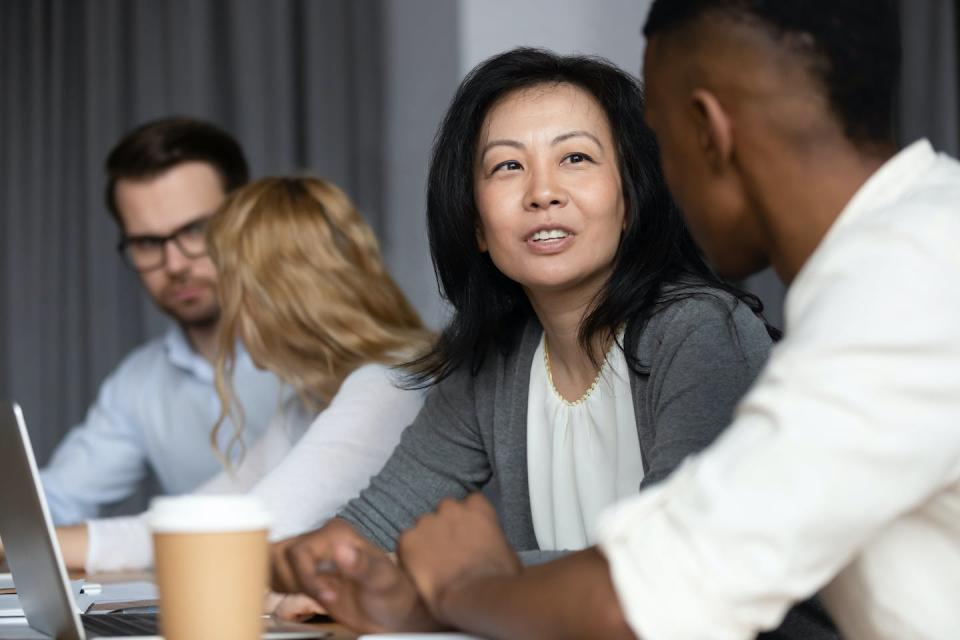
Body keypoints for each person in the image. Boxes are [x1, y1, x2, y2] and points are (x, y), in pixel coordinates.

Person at [330, 2, 960, 639]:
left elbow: (651, 600)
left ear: (708, 131)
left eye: (655, 142)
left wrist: (462, 584)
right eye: (508, 166)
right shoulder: (910, 252)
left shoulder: (902, 285)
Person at [271, 48, 835, 637]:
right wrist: (316, 571)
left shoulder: (698, 330)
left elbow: (673, 567)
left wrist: (446, 581)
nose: (543, 192)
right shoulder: (494, 359)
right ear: (477, 225)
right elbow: (370, 526)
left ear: (630, 201)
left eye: (576, 158)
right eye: (507, 167)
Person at [52, 177, 434, 588]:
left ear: (277, 298)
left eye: (235, 290)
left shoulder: (386, 388)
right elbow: (196, 520)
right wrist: (22, 542)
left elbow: (236, 539)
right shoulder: (305, 404)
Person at [39, 117, 284, 525]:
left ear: (246, 220)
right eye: (148, 243)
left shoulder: (321, 351)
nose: (174, 265)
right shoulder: (138, 384)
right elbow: (56, 501)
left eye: (195, 230)